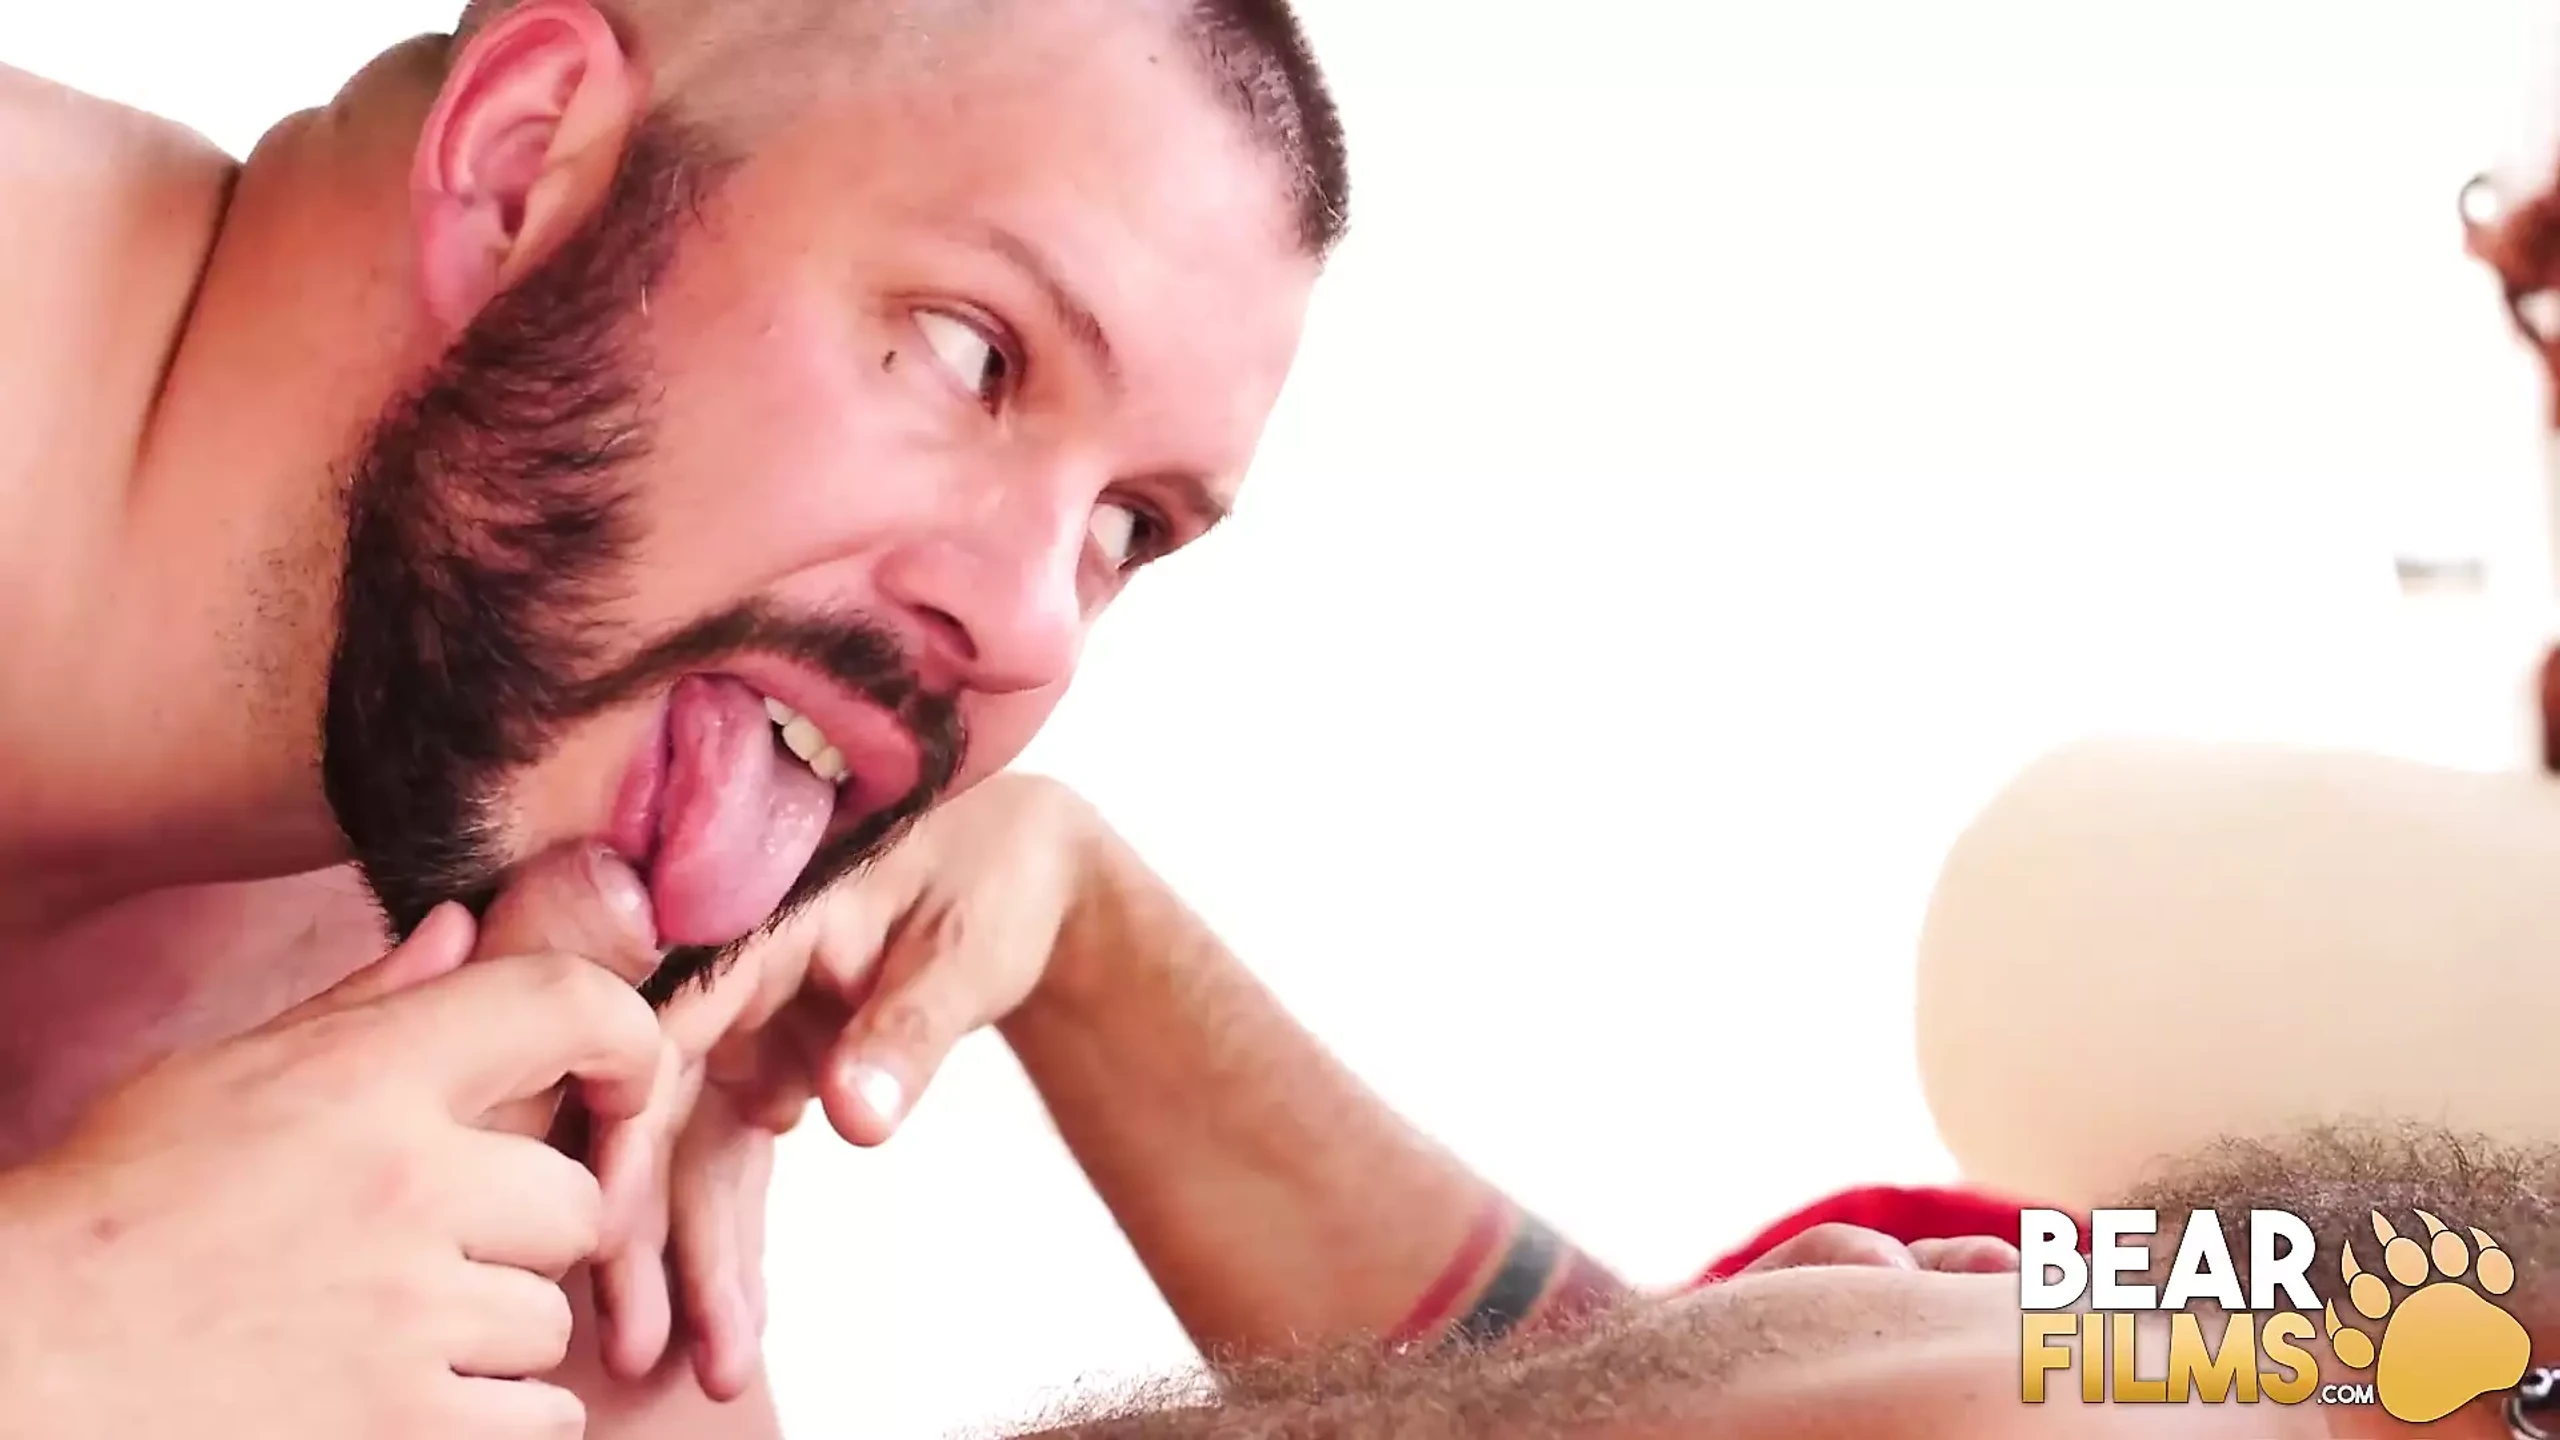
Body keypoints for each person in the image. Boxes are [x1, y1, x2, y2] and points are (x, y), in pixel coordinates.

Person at [0, 0, 1347, 1433]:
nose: (1033, 632)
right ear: (522, 166)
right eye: (973, 356)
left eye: (1129, 530)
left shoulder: (453, 1120)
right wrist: (66, 1330)